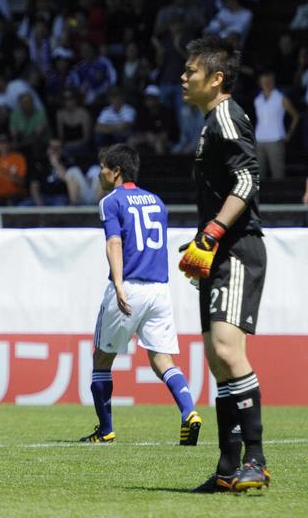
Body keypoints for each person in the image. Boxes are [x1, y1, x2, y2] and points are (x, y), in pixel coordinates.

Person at [180, 36, 269, 493]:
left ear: (216, 79)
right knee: (218, 359)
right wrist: (202, 239)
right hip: (218, 249)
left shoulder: (226, 116)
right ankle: (228, 466)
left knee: (229, 352)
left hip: (237, 247)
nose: (183, 77)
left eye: (190, 71)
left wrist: (214, 232)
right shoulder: (209, 122)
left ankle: (255, 460)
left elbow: (249, 175)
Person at [81, 144, 201, 445]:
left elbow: (114, 243)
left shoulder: (111, 202)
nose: (99, 174)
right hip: (159, 289)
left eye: (103, 167)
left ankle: (105, 430)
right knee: (162, 359)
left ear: (116, 172)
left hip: (130, 286)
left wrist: (119, 285)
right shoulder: (157, 202)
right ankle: (189, 412)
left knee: (101, 359)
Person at [252, 72, 299, 180]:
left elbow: (295, 116)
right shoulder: (257, 100)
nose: (267, 84)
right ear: (260, 83)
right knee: (259, 174)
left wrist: (289, 133)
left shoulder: (280, 98)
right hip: (259, 140)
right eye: (264, 82)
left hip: (275, 139)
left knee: (278, 174)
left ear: (273, 82)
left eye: (270, 81)